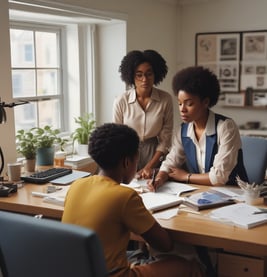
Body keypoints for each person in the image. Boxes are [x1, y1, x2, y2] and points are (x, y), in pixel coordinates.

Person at [62, 123, 204, 277]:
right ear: (127, 162)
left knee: (138, 255)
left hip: (74, 271)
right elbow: (165, 245)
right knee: (188, 265)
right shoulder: (124, 196)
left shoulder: (76, 185)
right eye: (138, 157)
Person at [148, 66, 248, 191]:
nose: (182, 109)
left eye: (189, 104)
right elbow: (170, 162)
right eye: (179, 103)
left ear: (205, 102)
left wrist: (186, 176)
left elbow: (218, 177)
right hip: (203, 193)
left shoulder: (226, 127)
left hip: (234, 194)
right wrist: (159, 179)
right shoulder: (183, 130)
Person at [113, 50, 173, 179]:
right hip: (127, 153)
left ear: (156, 74)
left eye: (149, 74)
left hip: (155, 152)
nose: (144, 79)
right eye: (139, 75)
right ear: (131, 76)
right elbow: (117, 138)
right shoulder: (121, 100)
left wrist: (150, 166)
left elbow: (165, 139)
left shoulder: (165, 99)